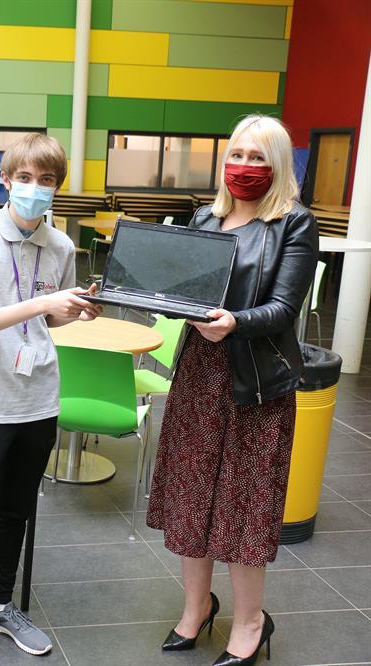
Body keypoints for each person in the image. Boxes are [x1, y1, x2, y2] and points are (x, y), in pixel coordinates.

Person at [146, 115, 318, 666]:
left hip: (256, 386)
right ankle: (197, 607)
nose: (244, 166)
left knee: (245, 507)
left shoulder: (294, 223)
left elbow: (284, 310)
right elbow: (187, 286)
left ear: (278, 165)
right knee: (191, 498)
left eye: (258, 157)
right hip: (199, 374)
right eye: (237, 155)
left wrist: (234, 322)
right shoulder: (205, 216)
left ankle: (249, 623)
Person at [0, 133, 102, 666]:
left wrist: (71, 310)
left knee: (17, 512)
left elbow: (53, 318)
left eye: (47, 181)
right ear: (6, 180)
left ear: (58, 187)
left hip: (39, 397)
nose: (34, 189)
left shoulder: (61, 247)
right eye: (25, 178)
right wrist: (43, 302)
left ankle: (1, 606)